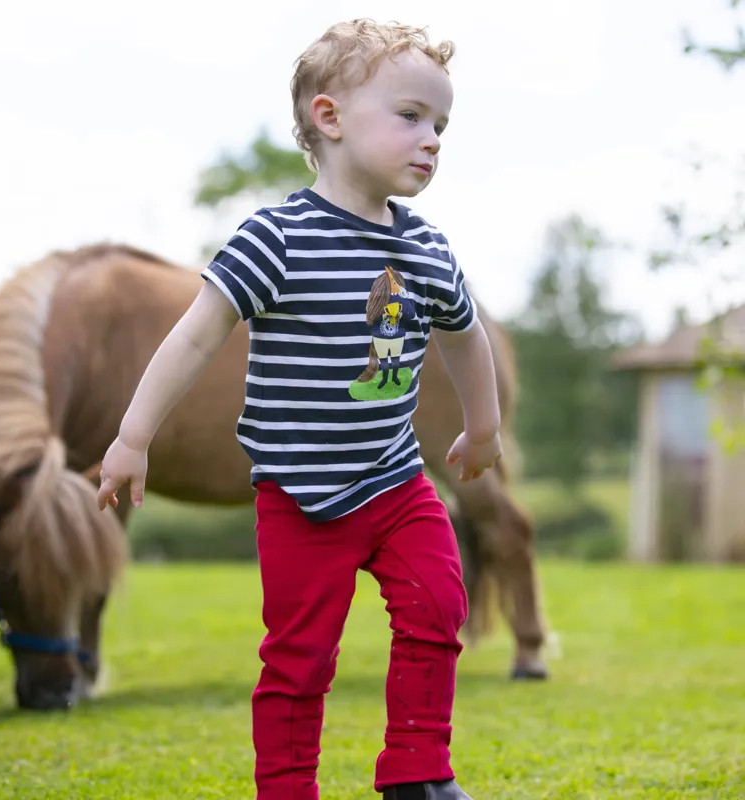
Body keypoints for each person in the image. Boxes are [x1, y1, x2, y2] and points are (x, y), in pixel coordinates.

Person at [97, 18, 502, 800]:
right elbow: (192, 338)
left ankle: (419, 774)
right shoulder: (273, 239)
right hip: (301, 496)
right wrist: (132, 438)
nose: (433, 139)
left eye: (442, 124)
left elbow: (467, 338)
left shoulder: (426, 250)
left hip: (395, 483)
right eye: (412, 116)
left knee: (437, 605)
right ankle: (286, 787)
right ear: (330, 118)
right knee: (300, 657)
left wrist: (481, 426)